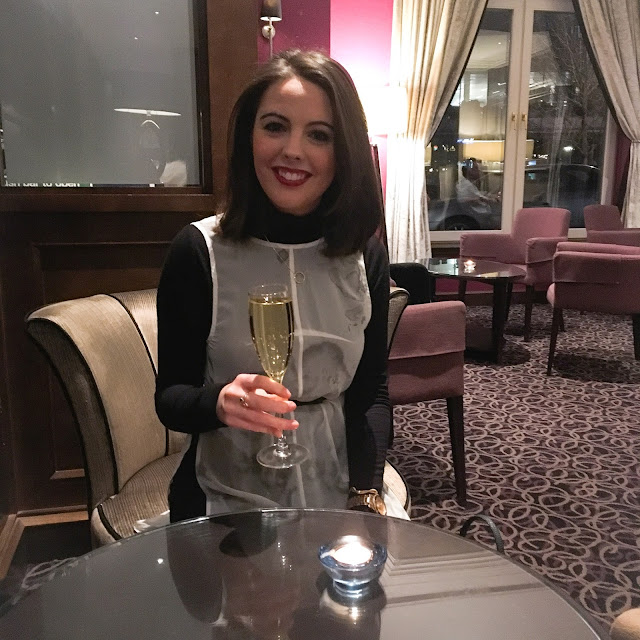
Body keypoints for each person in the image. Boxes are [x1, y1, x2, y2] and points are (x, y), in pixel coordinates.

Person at [155, 49, 400, 522]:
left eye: (319, 135)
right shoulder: (197, 251)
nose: (293, 150)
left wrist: (365, 494)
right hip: (224, 492)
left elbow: (371, 394)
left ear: (343, 151)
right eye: (275, 126)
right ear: (249, 136)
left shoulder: (364, 256)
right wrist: (217, 403)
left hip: (337, 487)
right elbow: (170, 398)